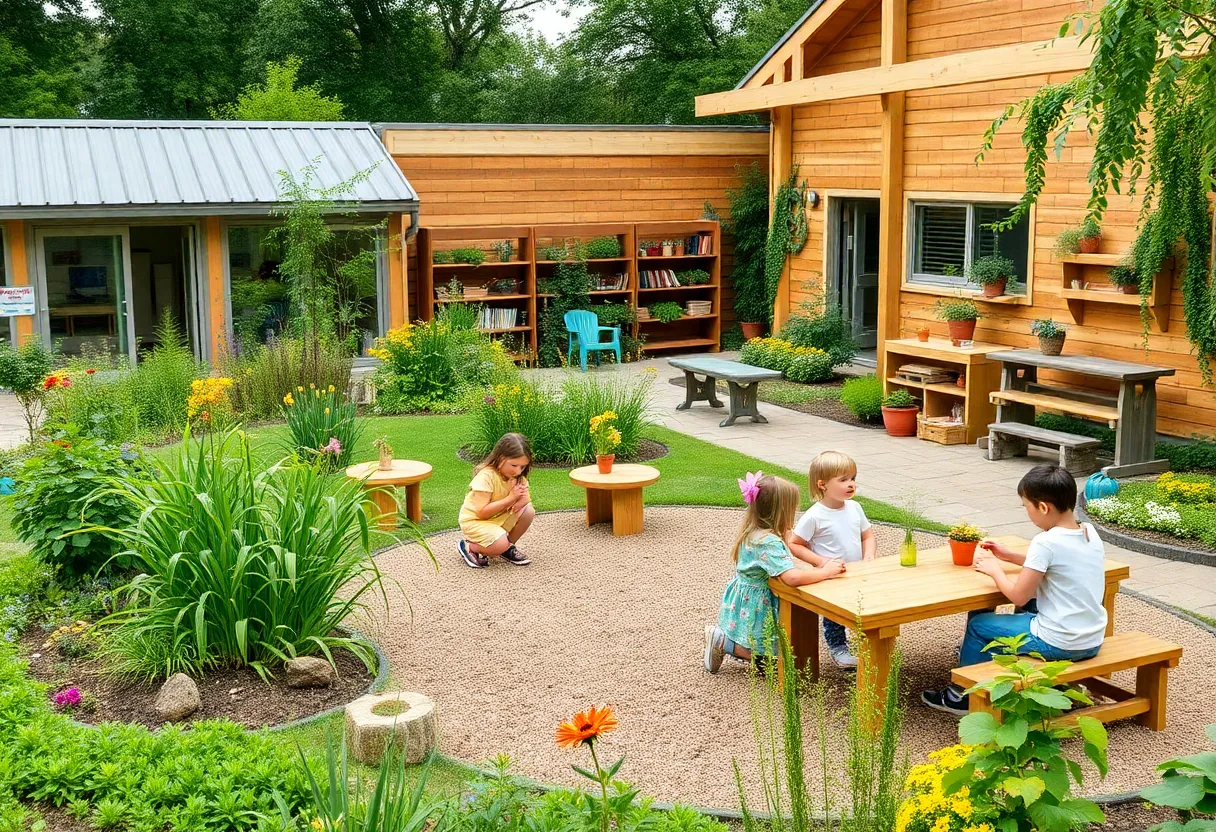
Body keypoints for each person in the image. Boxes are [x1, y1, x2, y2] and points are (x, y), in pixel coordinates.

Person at [922, 464, 1108, 716]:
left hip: (1060, 641)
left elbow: (1019, 595)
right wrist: (1009, 556)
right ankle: (989, 661)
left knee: (979, 625)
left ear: (1043, 507)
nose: (1027, 513)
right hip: (1091, 639)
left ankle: (961, 697)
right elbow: (1058, 564)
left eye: (1026, 506)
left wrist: (994, 570)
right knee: (1030, 606)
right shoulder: (1088, 532)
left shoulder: (1045, 541)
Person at [705, 472, 845, 673]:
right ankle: (724, 643)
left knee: (773, 656)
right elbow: (791, 577)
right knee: (775, 664)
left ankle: (731, 644)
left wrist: (786, 533)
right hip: (759, 603)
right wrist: (826, 572)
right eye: (791, 509)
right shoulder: (768, 542)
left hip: (747, 595)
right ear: (780, 511)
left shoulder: (753, 531)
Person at [785, 451, 876, 669]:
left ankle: (869, 643)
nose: (851, 484)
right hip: (832, 576)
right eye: (843, 480)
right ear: (822, 484)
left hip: (857, 572)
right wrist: (820, 562)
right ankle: (838, 647)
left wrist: (869, 556)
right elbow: (795, 544)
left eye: (853, 478)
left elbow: (867, 536)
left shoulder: (855, 508)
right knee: (834, 614)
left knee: (864, 605)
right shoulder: (815, 515)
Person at [457, 432, 536, 568]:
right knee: (500, 543)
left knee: (528, 511)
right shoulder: (486, 477)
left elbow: (525, 499)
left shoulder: (517, 478)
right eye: (514, 465)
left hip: (498, 517)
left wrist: (520, 501)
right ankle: (470, 547)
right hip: (476, 521)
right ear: (500, 458)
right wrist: (511, 498)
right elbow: (482, 513)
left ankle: (506, 547)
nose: (518, 471)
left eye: (522, 467)